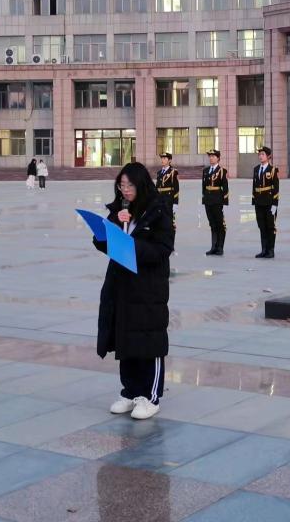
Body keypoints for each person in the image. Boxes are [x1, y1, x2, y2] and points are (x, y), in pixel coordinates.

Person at [92, 162, 173, 421]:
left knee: (149, 339)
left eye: (130, 185)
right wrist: (114, 223)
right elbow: (102, 242)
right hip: (121, 284)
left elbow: (163, 249)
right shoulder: (120, 209)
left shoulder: (158, 210)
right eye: (121, 185)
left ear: (141, 184)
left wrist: (131, 245)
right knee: (125, 338)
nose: (125, 190)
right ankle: (130, 391)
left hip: (148, 286)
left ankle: (151, 396)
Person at [252, 146, 280, 259]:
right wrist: (254, 201)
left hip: (269, 202)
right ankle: (264, 250)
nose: (260, 156)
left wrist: (275, 204)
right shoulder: (256, 169)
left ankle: (270, 250)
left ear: (268, 156)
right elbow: (254, 186)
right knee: (262, 226)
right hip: (259, 202)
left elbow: (276, 188)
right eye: (259, 154)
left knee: (270, 227)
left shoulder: (273, 170)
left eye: (263, 154)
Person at [202, 149, 229, 256]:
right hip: (208, 201)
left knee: (220, 225)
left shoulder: (222, 171)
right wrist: (204, 199)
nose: (211, 158)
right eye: (210, 156)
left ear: (218, 158)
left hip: (218, 200)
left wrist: (224, 203)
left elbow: (225, 188)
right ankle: (213, 247)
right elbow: (203, 187)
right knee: (212, 224)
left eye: (213, 156)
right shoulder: (206, 170)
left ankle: (220, 247)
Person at [155, 153, 180, 226]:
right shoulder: (159, 172)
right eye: (162, 158)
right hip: (159, 200)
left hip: (168, 200)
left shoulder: (173, 172)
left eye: (164, 158)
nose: (162, 160)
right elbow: (157, 187)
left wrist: (175, 203)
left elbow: (176, 188)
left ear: (169, 160)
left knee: (169, 221)